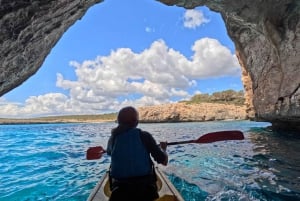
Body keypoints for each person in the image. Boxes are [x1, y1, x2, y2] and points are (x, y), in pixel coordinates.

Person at [106, 106, 168, 201]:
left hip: (119, 193)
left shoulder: (113, 138)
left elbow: (110, 153)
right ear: (136, 121)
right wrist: (164, 149)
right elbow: (163, 161)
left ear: (119, 121)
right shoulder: (145, 136)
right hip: (146, 191)